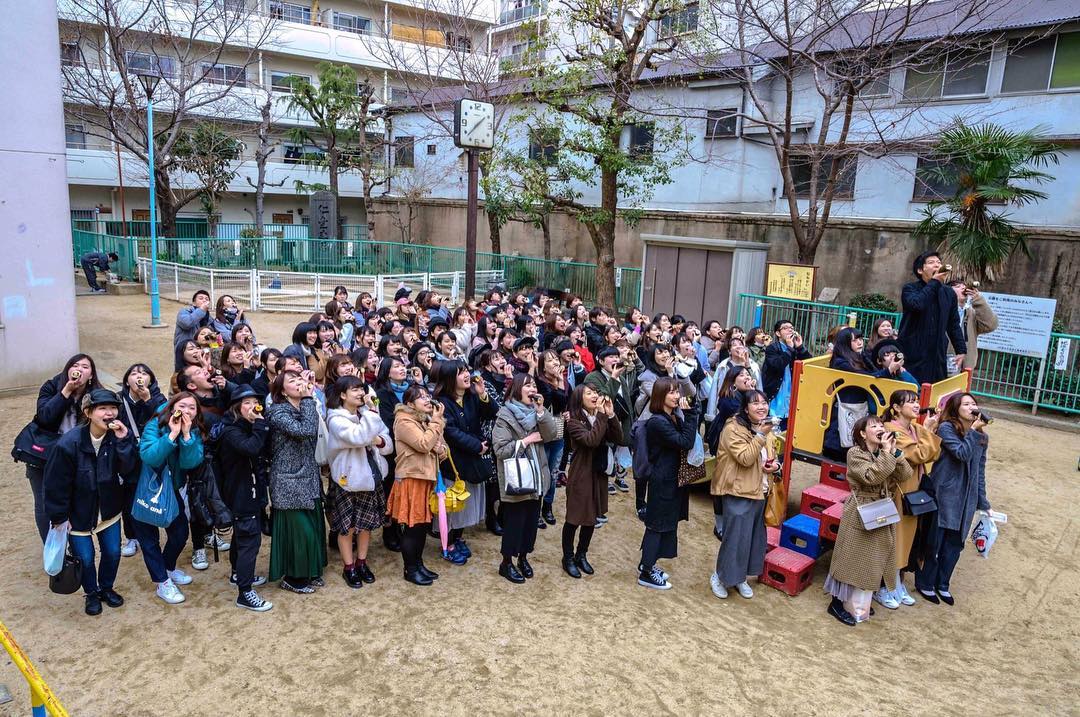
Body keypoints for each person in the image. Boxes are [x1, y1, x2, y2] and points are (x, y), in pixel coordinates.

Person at [43, 389, 135, 615]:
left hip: (109, 509)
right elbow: (55, 484)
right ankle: (91, 593)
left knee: (112, 552)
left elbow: (129, 470)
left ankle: (106, 588)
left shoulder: (118, 437)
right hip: (77, 513)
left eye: (113, 408)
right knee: (85, 558)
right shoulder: (68, 443)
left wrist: (124, 441)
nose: (109, 413)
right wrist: (59, 517)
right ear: (88, 412)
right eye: (102, 408)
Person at [824, 415, 913, 626]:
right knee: (851, 557)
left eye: (881, 425)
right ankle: (837, 602)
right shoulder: (855, 453)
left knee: (873, 558)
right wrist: (887, 454)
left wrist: (895, 452)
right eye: (874, 426)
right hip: (860, 509)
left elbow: (905, 474)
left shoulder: (884, 452)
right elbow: (871, 477)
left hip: (881, 508)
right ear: (863, 434)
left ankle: (858, 600)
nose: (880, 428)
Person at [915, 392, 991, 606]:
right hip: (945, 493)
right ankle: (925, 583)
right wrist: (973, 432)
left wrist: (983, 501)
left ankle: (943, 584)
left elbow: (980, 470)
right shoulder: (947, 428)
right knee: (935, 541)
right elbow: (961, 453)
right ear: (956, 409)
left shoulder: (982, 437)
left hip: (967, 497)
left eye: (973, 404)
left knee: (955, 544)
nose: (971, 407)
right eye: (965, 404)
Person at [136, 392, 206, 605]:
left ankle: (167, 567)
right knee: (149, 540)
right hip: (145, 489)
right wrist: (171, 435)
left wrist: (186, 436)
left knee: (180, 533)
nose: (187, 411)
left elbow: (190, 463)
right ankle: (162, 582)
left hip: (171, 488)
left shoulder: (193, 429)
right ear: (172, 406)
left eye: (192, 408)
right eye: (182, 406)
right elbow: (149, 456)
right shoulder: (155, 424)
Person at [325, 375, 393, 588]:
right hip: (348, 480)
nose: (360, 393)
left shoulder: (366, 414)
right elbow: (359, 437)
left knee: (366, 525)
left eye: (361, 388)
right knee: (348, 527)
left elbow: (387, 443)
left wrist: (377, 439)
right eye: (354, 389)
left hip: (371, 476)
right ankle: (349, 567)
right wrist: (371, 419)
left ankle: (361, 562)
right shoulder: (336, 419)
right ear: (342, 395)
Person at [26, 354, 102, 543]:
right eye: (75, 365)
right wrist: (66, 391)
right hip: (44, 457)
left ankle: (74, 546)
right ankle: (52, 548)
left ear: (91, 375)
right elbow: (44, 417)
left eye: (85, 367)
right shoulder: (51, 387)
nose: (79, 369)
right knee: (44, 503)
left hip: (77, 458)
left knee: (75, 500)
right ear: (67, 370)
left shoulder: (96, 394)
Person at [491, 373, 558, 584]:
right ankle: (506, 563)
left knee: (530, 523)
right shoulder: (504, 415)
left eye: (534, 385)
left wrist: (541, 411)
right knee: (515, 523)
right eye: (527, 385)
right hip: (517, 479)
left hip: (537, 477)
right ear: (516, 389)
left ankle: (523, 557)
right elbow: (500, 450)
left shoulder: (537, 412)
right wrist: (526, 441)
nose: (532, 389)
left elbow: (551, 434)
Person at [710, 390, 776, 600]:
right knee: (735, 538)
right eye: (755, 403)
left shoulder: (764, 426)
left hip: (760, 490)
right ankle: (720, 577)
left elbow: (770, 455)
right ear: (745, 408)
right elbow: (745, 458)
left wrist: (775, 466)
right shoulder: (733, 428)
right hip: (739, 490)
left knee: (752, 538)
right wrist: (761, 435)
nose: (761, 407)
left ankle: (739, 578)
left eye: (764, 402)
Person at [266, 370, 327, 594]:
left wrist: (310, 398)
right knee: (300, 532)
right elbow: (305, 430)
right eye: (292, 381)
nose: (299, 383)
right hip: (288, 481)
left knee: (314, 528)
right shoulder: (277, 412)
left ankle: (310, 571)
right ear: (283, 391)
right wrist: (309, 398)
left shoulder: (305, 406)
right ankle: (293, 578)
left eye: (299, 378)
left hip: (308, 477)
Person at [215, 386, 273, 612]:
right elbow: (251, 448)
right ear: (236, 408)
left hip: (250, 491)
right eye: (246, 403)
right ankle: (245, 593)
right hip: (241, 494)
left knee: (242, 537)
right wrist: (260, 425)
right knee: (250, 540)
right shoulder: (232, 431)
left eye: (255, 402)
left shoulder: (247, 427)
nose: (253, 407)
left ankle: (237, 574)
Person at [431, 360, 495, 563]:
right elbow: (451, 432)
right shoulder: (441, 402)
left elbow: (491, 413)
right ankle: (448, 545)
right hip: (453, 461)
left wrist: (483, 394)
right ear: (450, 378)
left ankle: (457, 538)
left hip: (471, 460)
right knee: (452, 505)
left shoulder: (471, 396)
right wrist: (477, 446)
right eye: (461, 372)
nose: (467, 375)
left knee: (465, 504)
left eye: (466, 370)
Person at [882, 389, 941, 609]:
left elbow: (934, 453)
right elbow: (920, 455)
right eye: (910, 402)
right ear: (896, 408)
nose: (917, 405)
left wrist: (926, 431)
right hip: (899, 490)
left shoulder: (914, 428)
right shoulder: (891, 430)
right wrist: (929, 430)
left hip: (914, 489)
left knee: (910, 537)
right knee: (897, 537)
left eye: (917, 401)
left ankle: (898, 582)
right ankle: (886, 585)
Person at [639, 378, 699, 590]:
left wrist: (690, 411)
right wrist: (691, 414)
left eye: (677, 392)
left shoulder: (670, 417)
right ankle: (646, 572)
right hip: (662, 480)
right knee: (656, 525)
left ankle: (647, 564)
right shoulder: (658, 422)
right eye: (672, 392)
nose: (677, 396)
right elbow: (685, 442)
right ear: (660, 396)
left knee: (664, 524)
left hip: (670, 479)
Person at [389, 384, 447, 586]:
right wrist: (437, 422)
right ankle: (410, 569)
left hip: (426, 478)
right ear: (410, 404)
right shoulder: (403, 420)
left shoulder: (426, 421)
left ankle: (419, 564)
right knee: (413, 528)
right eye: (421, 397)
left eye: (427, 395)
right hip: (411, 478)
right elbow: (423, 444)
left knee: (422, 527)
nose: (427, 399)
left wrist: (440, 449)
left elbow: (442, 450)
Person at [562, 385, 621, 578]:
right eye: (589, 393)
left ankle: (581, 554)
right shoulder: (573, 421)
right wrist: (602, 417)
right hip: (581, 474)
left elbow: (619, 438)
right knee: (574, 518)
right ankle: (568, 558)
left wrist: (611, 415)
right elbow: (591, 440)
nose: (595, 396)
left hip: (598, 474)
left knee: (592, 517)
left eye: (596, 392)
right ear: (579, 398)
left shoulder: (600, 416)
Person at [116, 363, 167, 558]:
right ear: (126, 380)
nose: (139, 376)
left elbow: (164, 421)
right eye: (134, 373)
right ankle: (131, 536)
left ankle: (150, 532)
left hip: (151, 455)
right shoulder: (119, 400)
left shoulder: (158, 399)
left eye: (144, 373)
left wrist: (148, 400)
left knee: (150, 493)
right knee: (128, 498)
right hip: (126, 455)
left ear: (151, 380)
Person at [898, 251, 967, 384]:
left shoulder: (949, 293)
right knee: (910, 390)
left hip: (937, 354)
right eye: (931, 262)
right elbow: (917, 305)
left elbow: (953, 324)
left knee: (934, 390)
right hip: (912, 352)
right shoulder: (910, 289)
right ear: (920, 270)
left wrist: (961, 349)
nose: (937, 265)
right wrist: (934, 282)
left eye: (939, 262)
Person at [535, 349, 570, 526]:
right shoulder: (539, 382)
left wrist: (560, 380)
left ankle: (547, 506)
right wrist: (557, 382)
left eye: (556, 359)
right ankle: (536, 509)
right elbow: (548, 401)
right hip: (542, 433)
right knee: (541, 471)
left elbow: (565, 403)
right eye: (550, 360)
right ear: (542, 366)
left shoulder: (562, 380)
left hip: (558, 430)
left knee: (554, 471)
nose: (555, 362)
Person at [762, 319, 810, 425]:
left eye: (792, 328)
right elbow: (777, 365)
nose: (790, 330)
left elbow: (809, 365)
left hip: (792, 396)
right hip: (776, 396)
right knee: (774, 427)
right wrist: (789, 349)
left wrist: (800, 347)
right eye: (785, 328)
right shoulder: (772, 348)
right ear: (778, 333)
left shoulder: (795, 349)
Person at [947, 280, 998, 371]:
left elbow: (991, 325)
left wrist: (978, 300)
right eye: (958, 286)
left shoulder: (972, 313)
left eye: (964, 286)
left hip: (966, 368)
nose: (963, 288)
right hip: (943, 365)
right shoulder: (942, 311)